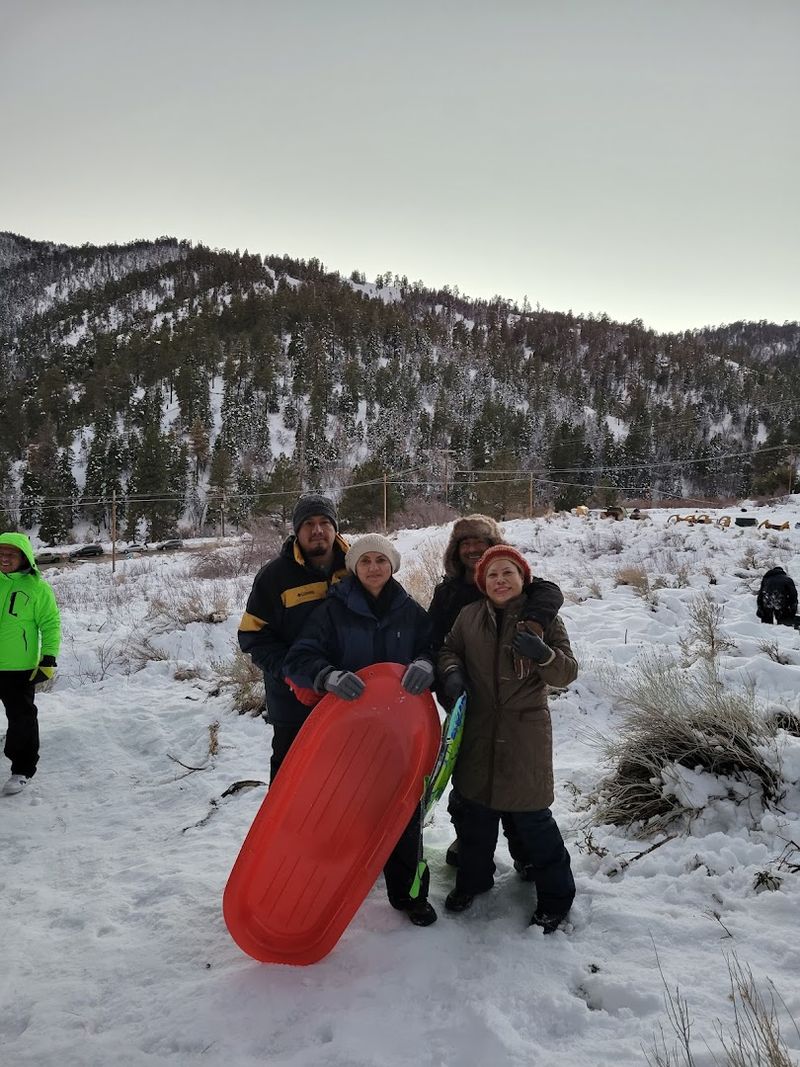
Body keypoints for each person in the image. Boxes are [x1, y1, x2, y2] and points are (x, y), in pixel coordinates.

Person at [284, 534, 438, 927]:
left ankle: (410, 895)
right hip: (347, 735)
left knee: (403, 814)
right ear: (354, 567)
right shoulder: (331, 611)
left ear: (392, 566)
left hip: (399, 733)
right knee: (340, 812)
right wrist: (327, 676)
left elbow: (434, 646)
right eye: (365, 561)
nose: (373, 567)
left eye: (380, 560)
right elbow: (298, 658)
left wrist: (426, 663)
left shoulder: (408, 610)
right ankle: (328, 888)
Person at [438, 544, 578, 932]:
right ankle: (473, 881)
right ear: (482, 582)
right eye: (492, 575)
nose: (500, 580)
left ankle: (556, 898)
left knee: (534, 821)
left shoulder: (544, 621)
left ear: (523, 578)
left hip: (524, 734)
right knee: (473, 818)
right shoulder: (469, 616)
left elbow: (567, 673)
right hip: (477, 732)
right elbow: (448, 650)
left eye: (508, 573)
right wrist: (451, 672)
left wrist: (544, 655)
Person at [427, 514, 564, 877]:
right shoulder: (449, 593)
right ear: (455, 552)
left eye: (480, 542)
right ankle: (470, 850)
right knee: (470, 788)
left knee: (518, 789)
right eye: (465, 543)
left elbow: (550, 593)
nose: (472, 549)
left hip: (516, 707)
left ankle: (526, 853)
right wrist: (447, 678)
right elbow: (439, 643)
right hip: (468, 701)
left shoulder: (521, 587)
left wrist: (535, 627)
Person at [237, 493, 350, 782]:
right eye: (308, 523)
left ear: (335, 527)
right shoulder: (274, 577)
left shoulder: (356, 567)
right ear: (297, 530)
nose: (317, 530)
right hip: (294, 703)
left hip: (349, 696)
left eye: (325, 522)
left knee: (344, 779)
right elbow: (253, 636)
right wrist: (293, 676)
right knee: (292, 780)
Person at [0, 533, 61, 796]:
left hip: (18, 667)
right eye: (0, 553)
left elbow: (50, 624)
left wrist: (48, 658)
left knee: (21, 718)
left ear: (24, 557)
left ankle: (23, 769)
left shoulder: (37, 588)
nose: (4, 558)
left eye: (10, 554)